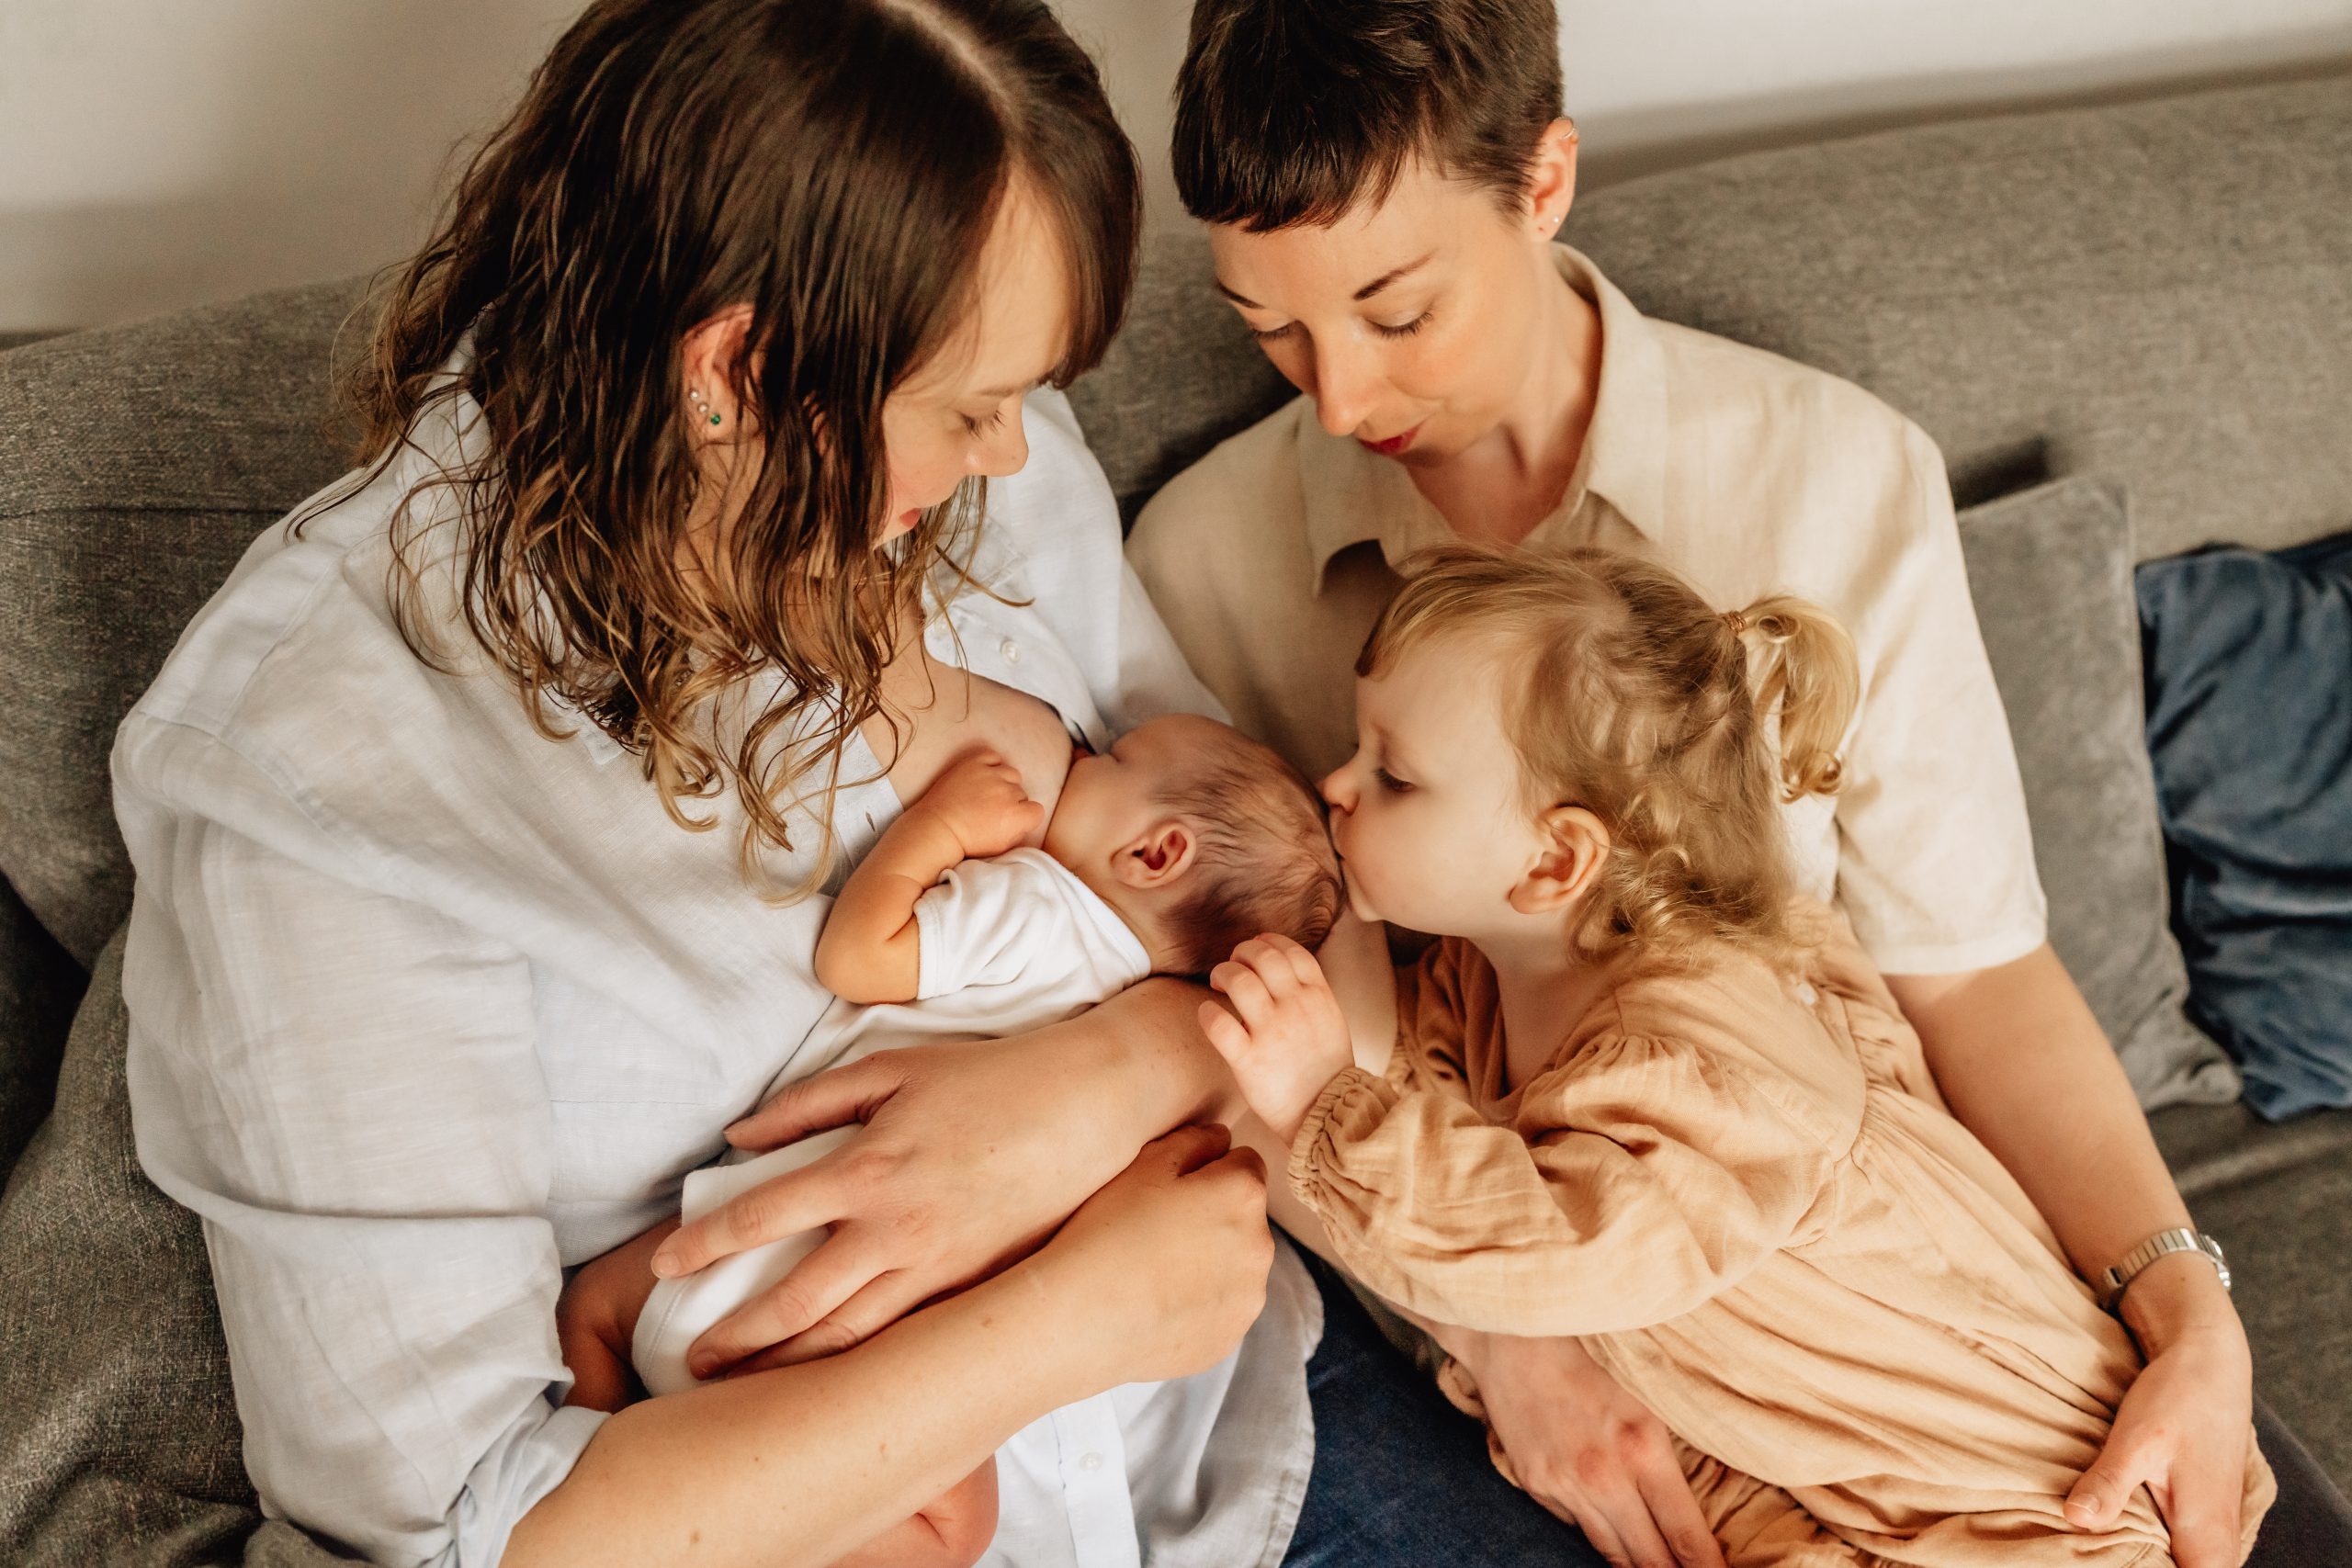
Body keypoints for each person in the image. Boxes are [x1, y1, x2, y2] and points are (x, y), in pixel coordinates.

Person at [114, 4, 1300, 1565]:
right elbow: (470, 1533)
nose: (1015, 457)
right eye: (964, 409)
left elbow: (1279, 890)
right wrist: (1069, 1322)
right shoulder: (328, 777)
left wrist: (1117, 1074)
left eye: (1026, 392)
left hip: (1228, 1464)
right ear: (734, 366)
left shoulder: (977, 469)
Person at [1127, 2, 2270, 1564]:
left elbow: (1976, 971)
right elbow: (1248, 1002)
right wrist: (1512, 1350)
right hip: (1508, 1328)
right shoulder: (1201, 557)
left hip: (1920, 1371)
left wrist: (2188, 1306)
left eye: (1396, 312)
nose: (1334, 398)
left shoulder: (1833, 473)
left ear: (1544, 183)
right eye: (1269, 327)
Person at [1202, 545, 2276, 1566]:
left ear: (1555, 858)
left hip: (2030, 1501)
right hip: (1836, 1488)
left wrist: (1323, 1104)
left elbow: (1543, 1250)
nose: (1334, 785)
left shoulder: (1701, 1061)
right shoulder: (1489, 974)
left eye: (1391, 775)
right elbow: (1428, 1086)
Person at [556, 723, 1340, 1564]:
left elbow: (860, 954)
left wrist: (940, 827)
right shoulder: (1135, 1002)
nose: (1078, 754)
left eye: (1105, 758)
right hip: (861, 1351)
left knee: (592, 1308)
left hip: (726, 1260)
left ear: (1154, 854)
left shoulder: (1039, 907)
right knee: (954, 1527)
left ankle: (599, 1439)